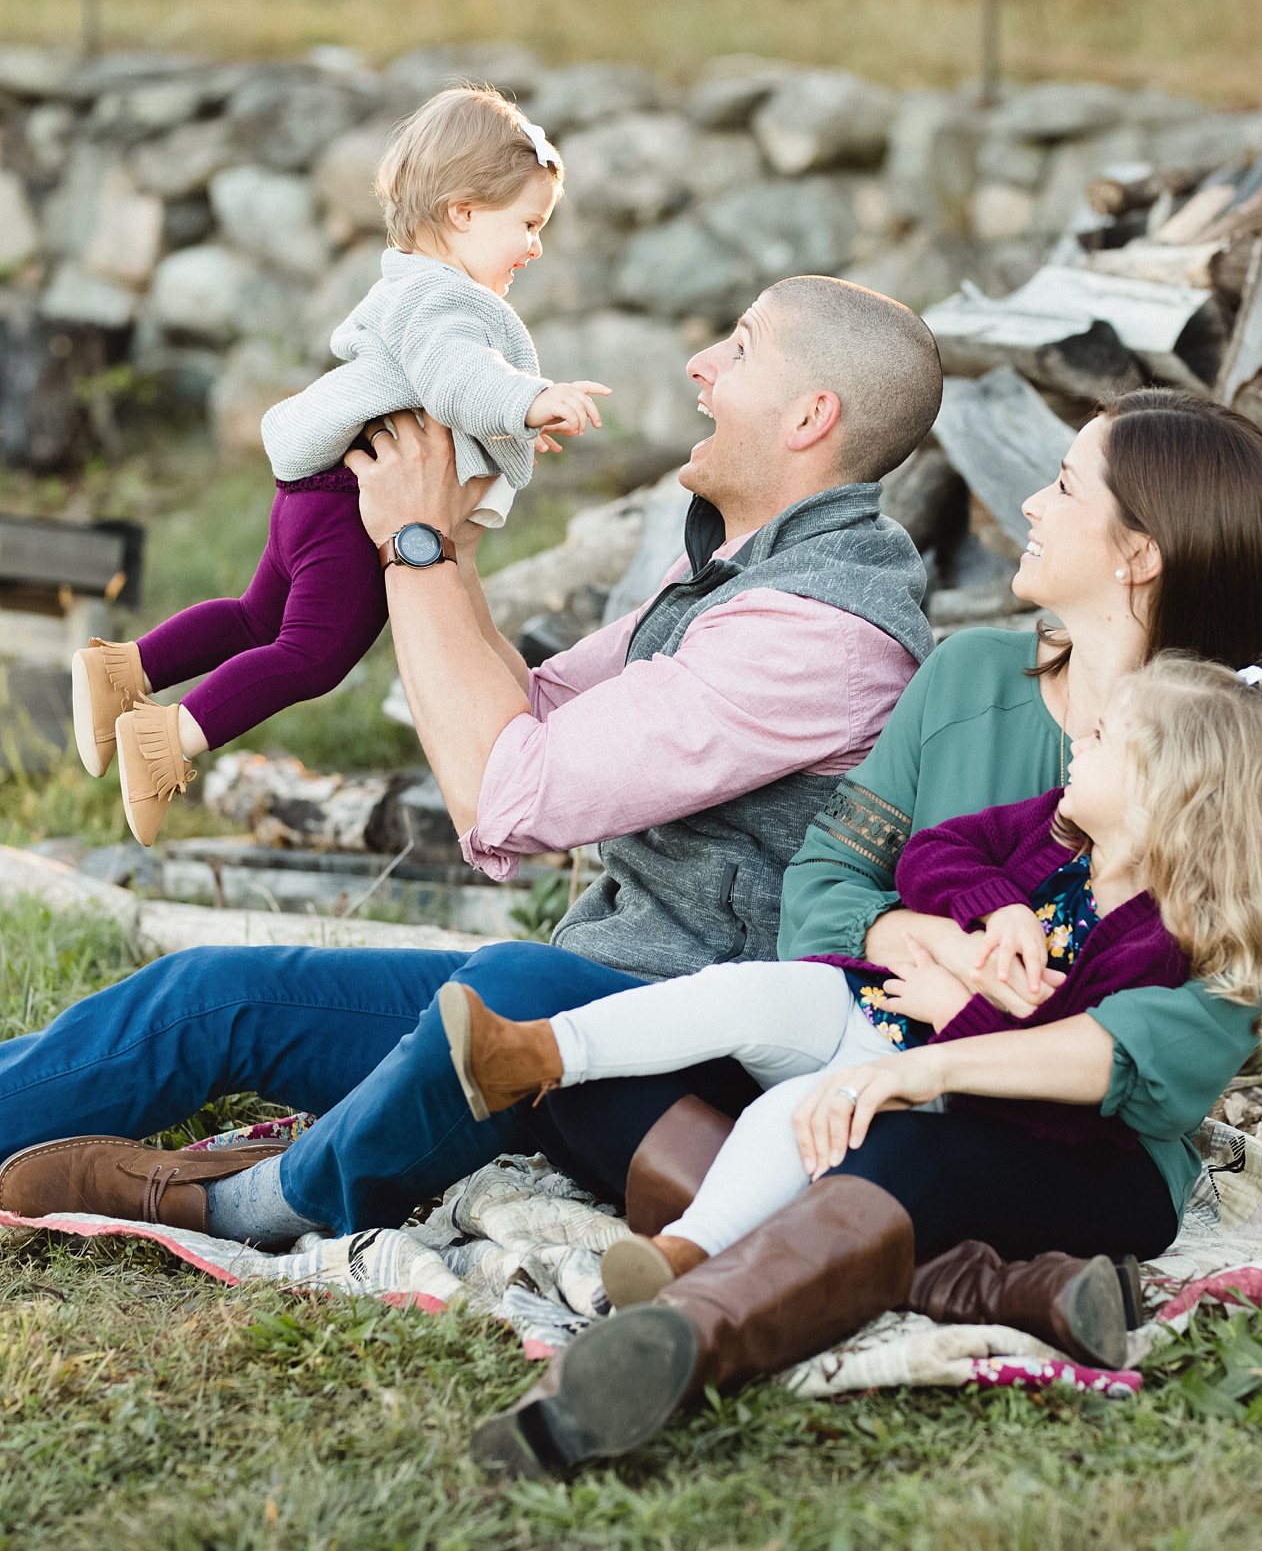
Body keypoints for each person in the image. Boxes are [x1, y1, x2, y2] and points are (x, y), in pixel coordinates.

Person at [466, 392, 1262, 1482]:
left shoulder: (1222, 770)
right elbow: (835, 876)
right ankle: (980, 1284)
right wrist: (918, 938)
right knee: (601, 1067)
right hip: (881, 1035)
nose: (1030, 502)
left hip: (1078, 1149)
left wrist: (923, 1072)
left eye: (1064, 485)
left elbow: (1157, 1060)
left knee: (894, 1144)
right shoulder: (970, 679)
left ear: (1139, 553)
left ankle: (666, 1348)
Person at [0, 276, 943, 1244]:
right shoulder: (754, 576)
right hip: (583, 993)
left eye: (739, 349)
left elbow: (510, 797)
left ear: (810, 416)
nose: (700, 366)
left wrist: (414, 547)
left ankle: (248, 1203)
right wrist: (445, 534)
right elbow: (537, 708)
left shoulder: (820, 632)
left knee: (510, 986)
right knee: (216, 998)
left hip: (689, 1061)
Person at [442, 655, 1262, 1377]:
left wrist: (963, 1012)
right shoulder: (1058, 841)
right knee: (749, 992)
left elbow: (1058, 1087)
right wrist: (997, 906)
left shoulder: (1152, 941)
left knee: (791, 1119)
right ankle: (539, 1050)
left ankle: (687, 1253)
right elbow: (933, 854)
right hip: (878, 1008)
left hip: (958, 1094)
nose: (1077, 746)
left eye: (1101, 741)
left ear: (1158, 795)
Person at [71, 84, 609, 847]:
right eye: (527, 224)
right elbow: (457, 375)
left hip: (317, 494)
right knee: (311, 657)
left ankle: (122, 672)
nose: (535, 246)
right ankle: (166, 741)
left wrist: (503, 424)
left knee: (258, 619)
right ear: (462, 212)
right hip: (357, 508)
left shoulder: (411, 286)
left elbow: (444, 390)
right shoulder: (447, 302)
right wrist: (529, 401)